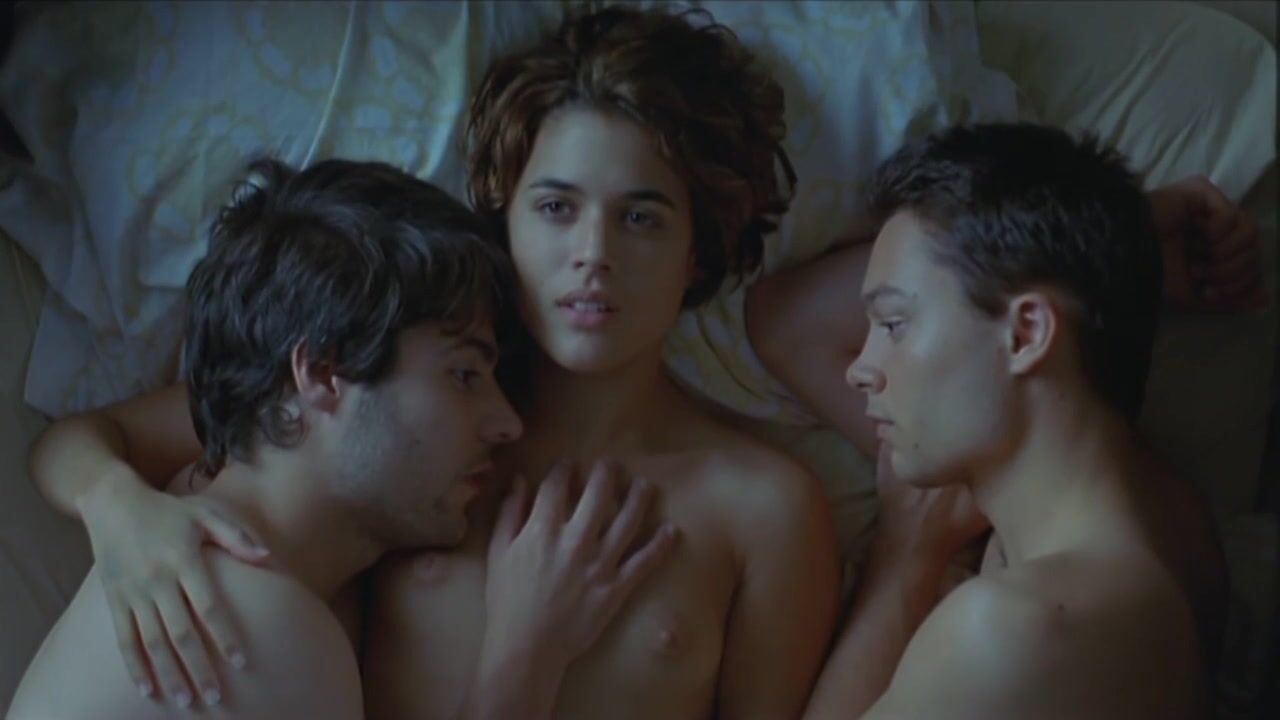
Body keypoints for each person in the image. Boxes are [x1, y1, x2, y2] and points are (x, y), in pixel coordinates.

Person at [25, 6, 839, 719]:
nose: (594, 254)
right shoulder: (405, 415)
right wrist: (120, 514)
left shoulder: (764, 506)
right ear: (507, 222)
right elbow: (86, 439)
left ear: (697, 252)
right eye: (556, 208)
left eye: (642, 218)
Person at [12, 158, 676, 719]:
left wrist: (114, 499)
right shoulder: (251, 626)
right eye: (464, 374)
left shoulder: (240, 447)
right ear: (325, 374)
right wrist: (527, 653)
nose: (508, 424)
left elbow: (80, 438)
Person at [779, 123, 1230, 718]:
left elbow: (788, 324)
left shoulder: (1010, 629)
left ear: (1025, 334)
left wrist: (903, 556)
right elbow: (786, 322)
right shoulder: (1174, 528)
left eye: (892, 325)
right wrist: (1118, 244)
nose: (861, 368)